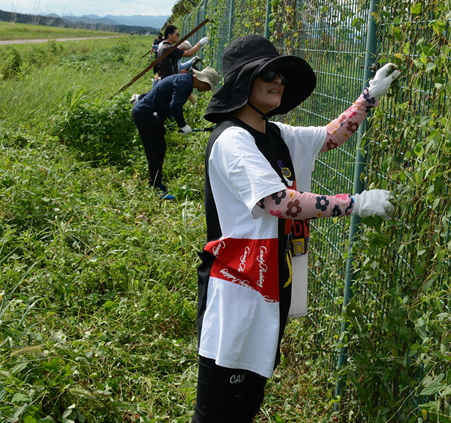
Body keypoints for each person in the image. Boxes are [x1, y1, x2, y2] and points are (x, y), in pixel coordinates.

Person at [193, 34, 400, 422]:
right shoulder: (232, 141)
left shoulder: (276, 135)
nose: (279, 81)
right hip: (236, 289)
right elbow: (279, 202)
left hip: (269, 284)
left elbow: (330, 136)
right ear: (242, 81)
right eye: (267, 73)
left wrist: (368, 98)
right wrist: (355, 203)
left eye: (282, 76)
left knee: (246, 403)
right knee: (218, 411)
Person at [132, 66, 221, 200]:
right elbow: (175, 105)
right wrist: (182, 125)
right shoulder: (185, 84)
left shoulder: (183, 79)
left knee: (158, 149)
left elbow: (162, 94)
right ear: (204, 82)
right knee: (156, 150)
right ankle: (155, 187)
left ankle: (155, 183)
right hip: (146, 115)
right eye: (209, 87)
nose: (208, 90)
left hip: (148, 113)